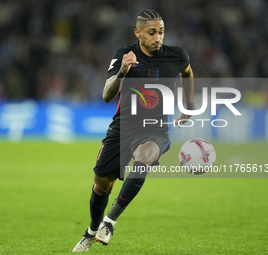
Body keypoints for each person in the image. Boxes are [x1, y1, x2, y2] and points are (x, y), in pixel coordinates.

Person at [73, 9, 194, 252]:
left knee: (144, 159)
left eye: (161, 32)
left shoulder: (177, 55)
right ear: (138, 33)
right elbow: (107, 94)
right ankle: (91, 231)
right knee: (101, 185)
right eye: (152, 33)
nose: (157, 38)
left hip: (155, 129)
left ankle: (110, 221)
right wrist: (122, 72)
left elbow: (187, 73)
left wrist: (189, 106)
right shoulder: (124, 56)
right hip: (122, 127)